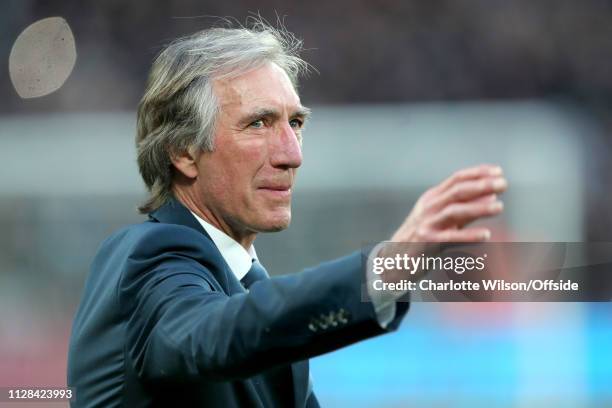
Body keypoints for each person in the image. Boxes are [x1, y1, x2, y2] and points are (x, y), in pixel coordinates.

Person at [67, 21, 507, 407]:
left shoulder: (245, 286)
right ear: (183, 151)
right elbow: (214, 335)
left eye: (295, 123)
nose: (292, 155)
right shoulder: (149, 258)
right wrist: (384, 269)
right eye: (259, 123)